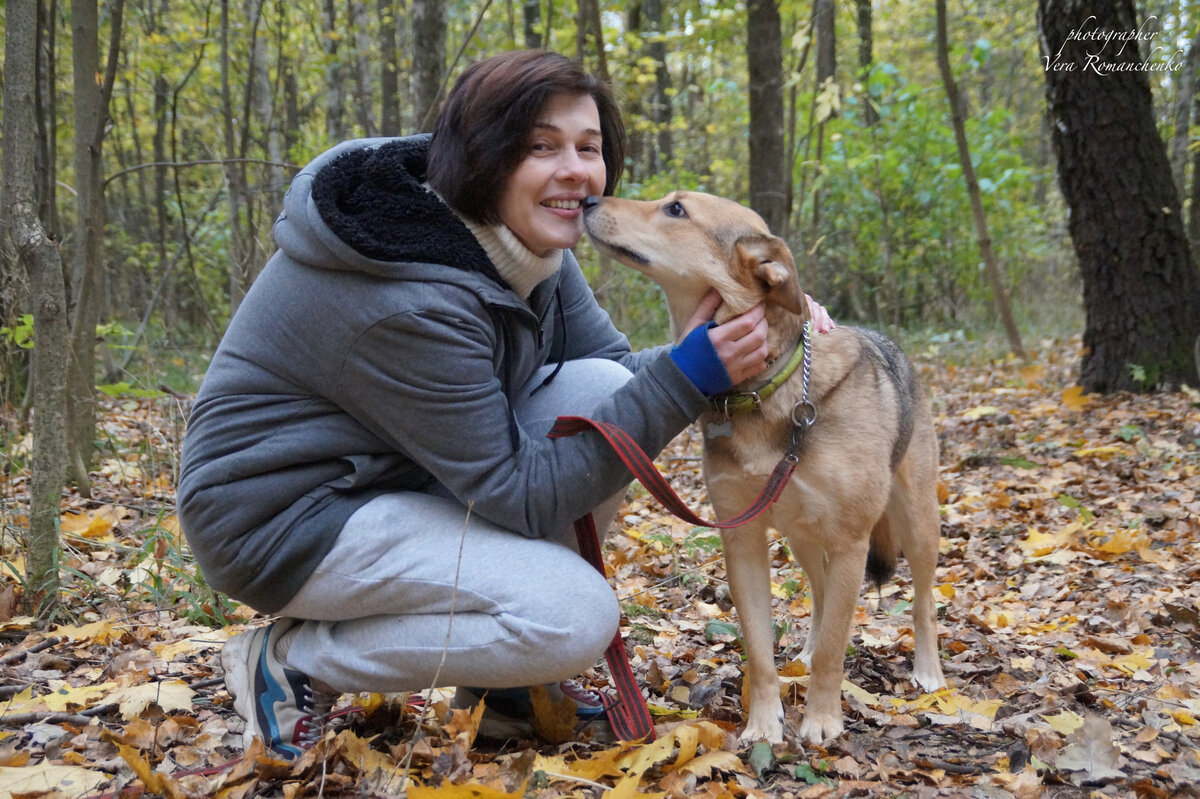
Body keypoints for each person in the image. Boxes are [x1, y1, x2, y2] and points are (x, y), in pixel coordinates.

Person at [177, 49, 834, 759]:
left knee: (600, 388)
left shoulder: (524, 238)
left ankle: (504, 694)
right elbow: (519, 493)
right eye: (540, 147)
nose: (576, 171)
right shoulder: (412, 296)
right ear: (483, 157)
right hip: (285, 517)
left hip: (396, 474)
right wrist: (690, 374)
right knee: (572, 620)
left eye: (589, 147)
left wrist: (753, 336)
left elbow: (618, 373)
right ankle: (296, 660)